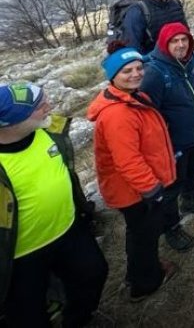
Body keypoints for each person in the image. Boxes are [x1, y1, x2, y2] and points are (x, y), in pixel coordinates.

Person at [0, 83, 107, 326]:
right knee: (27, 315)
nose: (50, 106)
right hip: (21, 255)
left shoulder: (50, 133)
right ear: (11, 122)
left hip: (69, 229)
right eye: (39, 106)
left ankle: (77, 320)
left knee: (94, 274)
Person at [87, 47, 178, 302]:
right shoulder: (118, 114)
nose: (135, 74)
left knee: (139, 233)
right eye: (127, 71)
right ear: (113, 76)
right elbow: (128, 161)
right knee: (145, 234)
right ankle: (145, 284)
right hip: (135, 191)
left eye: (139, 68)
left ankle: (138, 271)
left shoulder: (130, 97)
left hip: (136, 187)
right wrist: (152, 189)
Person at [140, 22, 194, 225]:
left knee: (193, 170)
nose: (181, 45)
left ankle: (191, 200)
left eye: (184, 40)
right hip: (174, 143)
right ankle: (171, 227)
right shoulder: (154, 73)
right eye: (175, 41)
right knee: (172, 185)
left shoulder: (191, 61)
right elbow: (149, 114)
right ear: (165, 43)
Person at [121, 0, 187, 54]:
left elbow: (185, 31)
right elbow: (133, 44)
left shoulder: (176, 4)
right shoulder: (139, 9)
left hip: (179, 57)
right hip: (153, 62)